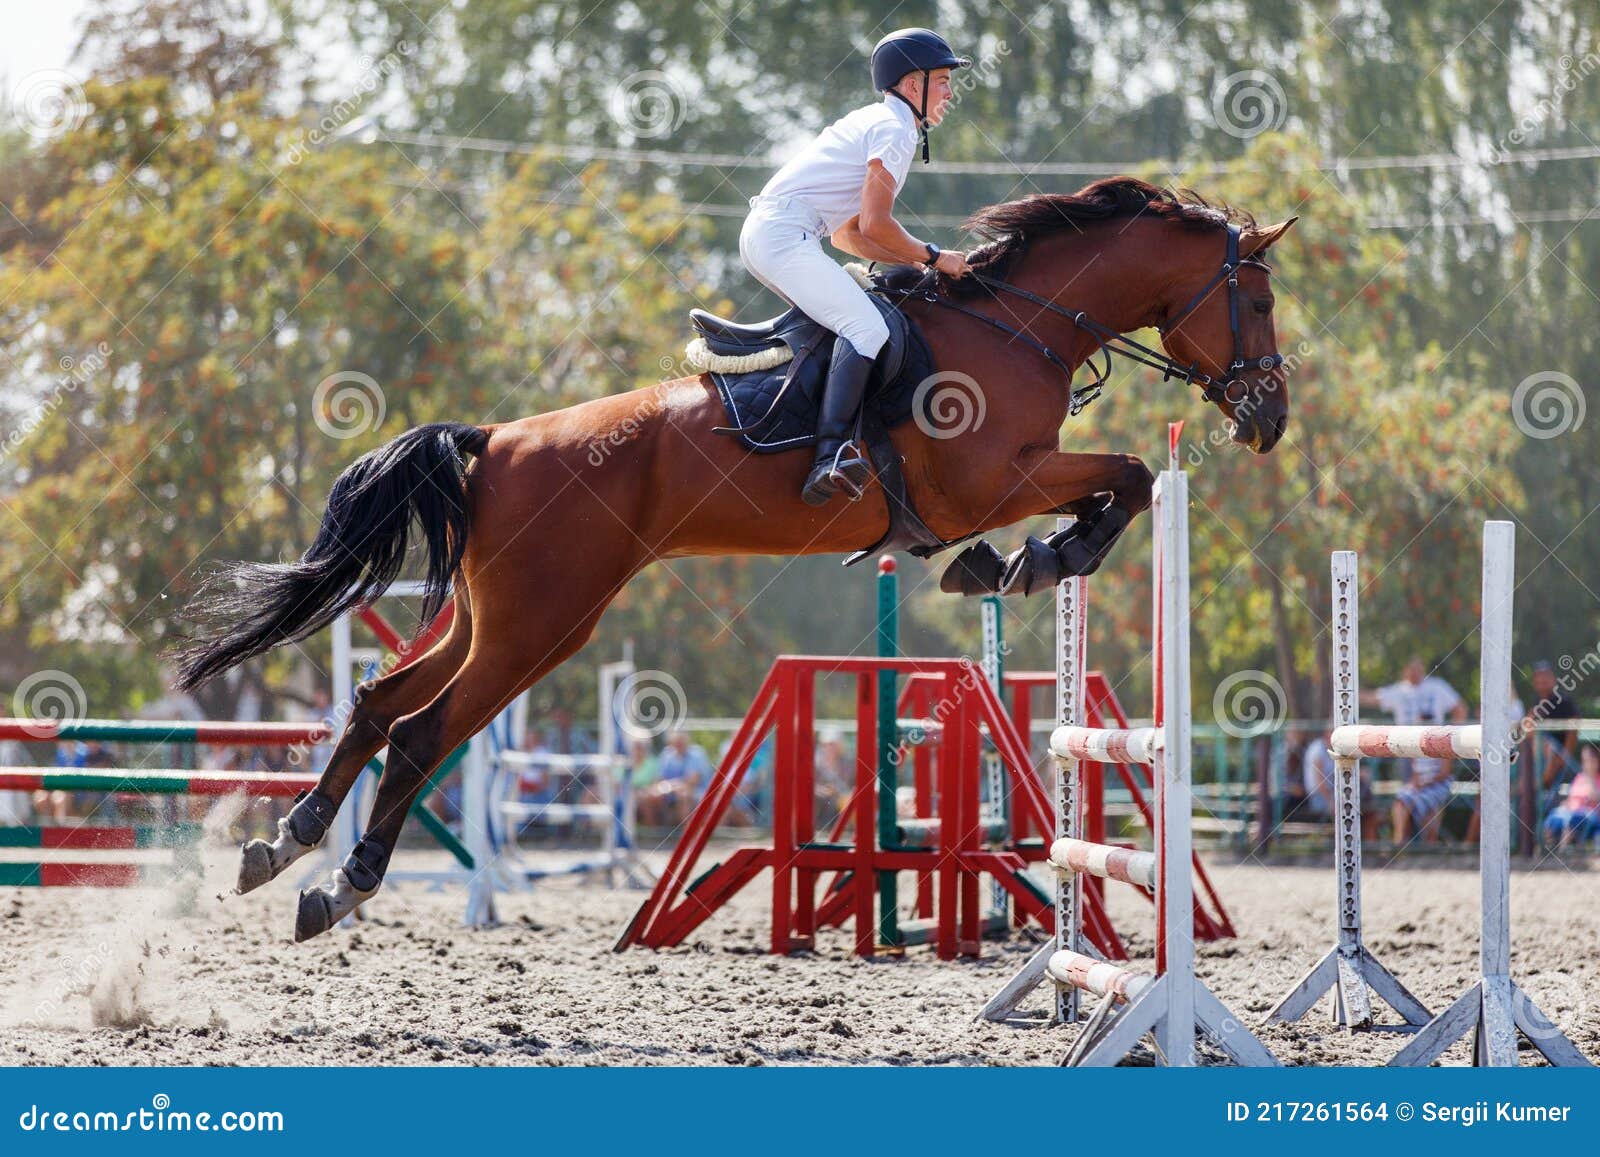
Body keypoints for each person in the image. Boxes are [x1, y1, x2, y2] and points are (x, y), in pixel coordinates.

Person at [739, 28, 974, 505]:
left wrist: (921, 264)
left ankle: (813, 432)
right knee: (867, 329)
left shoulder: (882, 122)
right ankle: (829, 457)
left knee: (852, 324)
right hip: (784, 234)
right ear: (914, 84)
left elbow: (850, 235)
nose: (951, 91)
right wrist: (935, 256)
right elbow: (875, 224)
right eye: (944, 79)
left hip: (776, 232)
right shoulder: (895, 131)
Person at [1361, 657, 1465, 844]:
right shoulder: (1399, 690)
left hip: (1434, 755)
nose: (1414, 672)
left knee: (1425, 801)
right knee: (1404, 797)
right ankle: (1402, 843)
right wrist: (1345, 691)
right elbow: (1372, 698)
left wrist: (1453, 738)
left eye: (1418, 667)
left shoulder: (1437, 687)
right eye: (1411, 667)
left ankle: (1423, 844)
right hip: (1408, 753)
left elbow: (1460, 708)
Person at [1297, 729, 1379, 839]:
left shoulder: (1333, 749)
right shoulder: (1317, 750)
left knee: (1370, 809)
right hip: (1319, 796)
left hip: (1334, 793)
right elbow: (1320, 784)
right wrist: (1331, 800)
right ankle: (1345, 842)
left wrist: (1360, 774)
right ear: (1327, 734)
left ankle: (1369, 845)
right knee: (1343, 806)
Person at [1543, 742, 1600, 848]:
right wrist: (1566, 804)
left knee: (1571, 820)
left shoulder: (1596, 779)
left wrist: (1590, 778)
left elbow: (1596, 798)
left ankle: (1563, 851)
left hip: (1589, 815)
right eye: (1585, 761)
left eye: (1590, 760)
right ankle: (1545, 849)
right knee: (1552, 817)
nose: (1587, 764)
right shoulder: (1579, 777)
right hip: (1570, 811)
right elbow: (1571, 798)